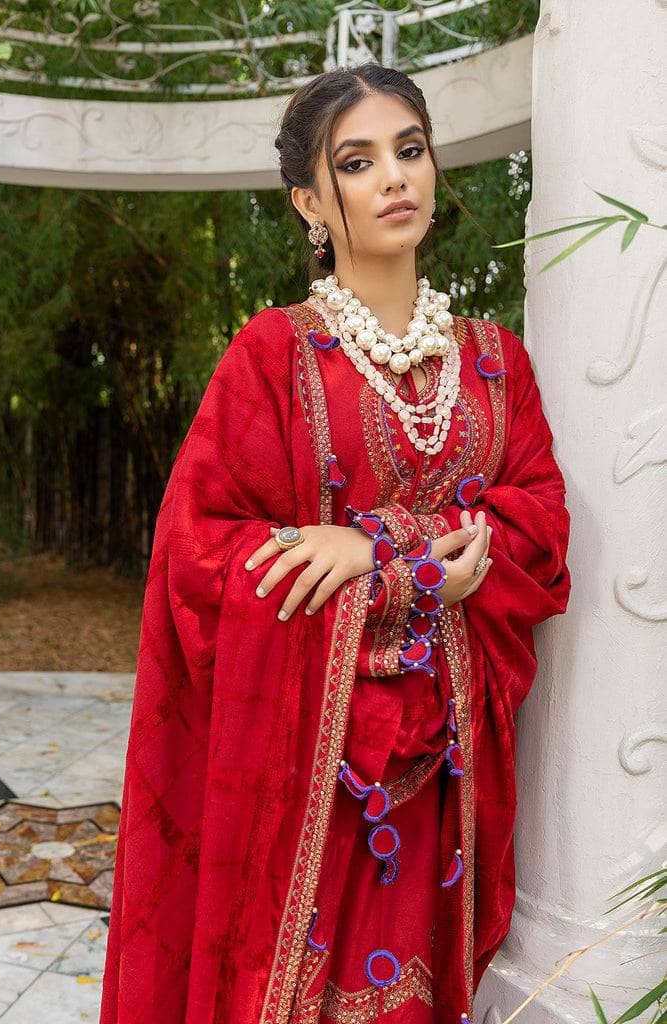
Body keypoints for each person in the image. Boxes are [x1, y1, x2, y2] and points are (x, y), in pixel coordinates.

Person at [99, 63, 571, 1024]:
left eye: (410, 149)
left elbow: (539, 525)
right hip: (309, 772)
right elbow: (200, 554)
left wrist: (376, 547)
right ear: (310, 202)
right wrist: (408, 576)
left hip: (446, 770)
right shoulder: (271, 356)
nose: (393, 177)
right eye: (357, 162)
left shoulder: (494, 361)